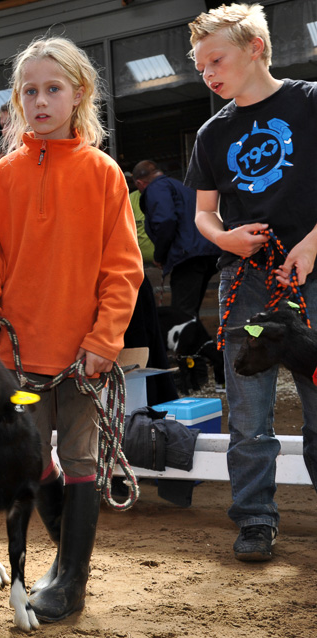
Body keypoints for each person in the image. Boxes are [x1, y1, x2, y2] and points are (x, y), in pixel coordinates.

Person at [0, 37, 142, 622]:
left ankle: (72, 579)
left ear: (79, 94)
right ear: (18, 100)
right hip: (19, 360)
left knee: (78, 458)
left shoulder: (103, 173)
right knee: (31, 456)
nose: (40, 101)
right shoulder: (2, 177)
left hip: (83, 360)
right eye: (30, 91)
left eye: (53, 89)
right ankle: (65, 563)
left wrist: (104, 339)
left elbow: (123, 267)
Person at [185, 3, 317, 562]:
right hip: (249, 284)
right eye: (199, 67)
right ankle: (256, 519)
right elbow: (203, 215)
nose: (208, 73)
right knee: (248, 406)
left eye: (216, 59)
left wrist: (313, 242)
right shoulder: (213, 133)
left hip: (312, 275)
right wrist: (227, 240)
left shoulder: (310, 102)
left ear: (255, 47)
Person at [133, 160, 221, 317]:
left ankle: (188, 340)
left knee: (182, 315)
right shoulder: (181, 187)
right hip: (207, 252)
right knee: (190, 312)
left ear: (140, 183)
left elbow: (165, 220)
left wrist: (160, 255)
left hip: (188, 256)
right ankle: (196, 340)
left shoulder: (156, 188)